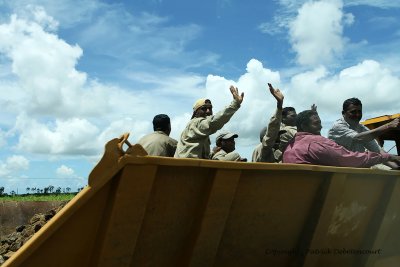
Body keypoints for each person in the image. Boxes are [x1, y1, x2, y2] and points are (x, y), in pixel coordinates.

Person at [283, 110, 400, 168]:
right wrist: (390, 156)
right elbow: (349, 159)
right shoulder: (317, 142)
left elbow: (374, 147)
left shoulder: (289, 145)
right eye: (316, 123)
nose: (321, 126)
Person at [174, 85, 244, 159]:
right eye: (204, 108)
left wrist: (212, 153)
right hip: (187, 168)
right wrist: (235, 104)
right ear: (195, 113)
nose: (208, 111)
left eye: (210, 108)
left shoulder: (201, 131)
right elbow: (213, 122)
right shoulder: (196, 123)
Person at [328, 97, 399, 168]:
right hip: (338, 169)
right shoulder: (338, 127)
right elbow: (359, 138)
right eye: (353, 112)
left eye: (359, 111)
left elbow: (378, 152)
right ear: (343, 113)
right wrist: (389, 126)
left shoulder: (362, 128)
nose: (357, 115)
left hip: (357, 168)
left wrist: (396, 167)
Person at [252, 83, 284, 162]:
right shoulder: (265, 150)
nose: (279, 139)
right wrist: (279, 106)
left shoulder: (277, 151)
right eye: (276, 136)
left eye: (279, 135)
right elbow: (272, 130)